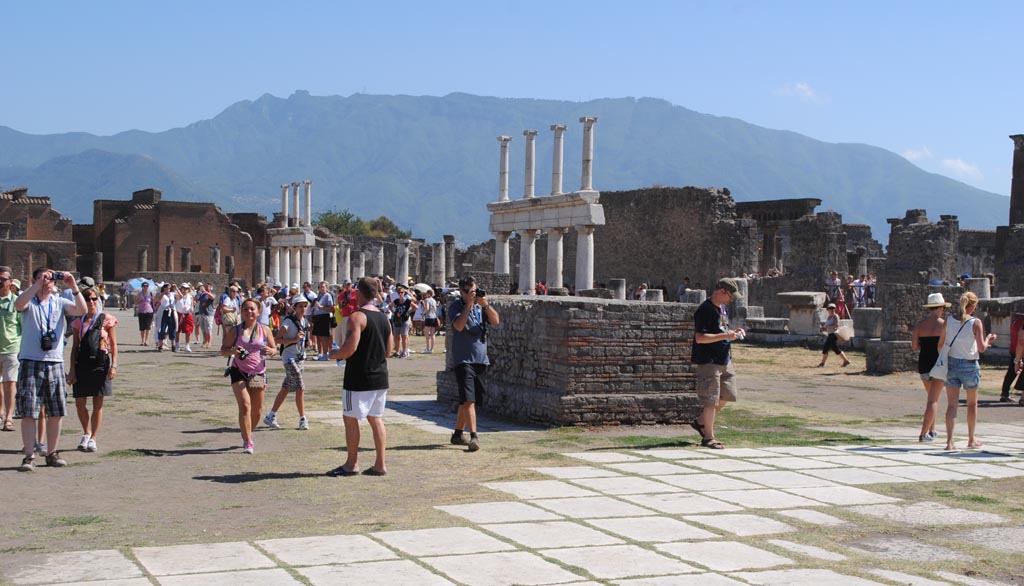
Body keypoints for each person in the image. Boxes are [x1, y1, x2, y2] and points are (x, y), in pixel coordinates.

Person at [14, 269, 87, 471]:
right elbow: (19, 304)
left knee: (56, 410)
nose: (48, 281)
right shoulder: (29, 301)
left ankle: (52, 453)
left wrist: (73, 286)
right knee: (29, 411)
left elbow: (81, 310)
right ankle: (29, 455)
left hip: (54, 361)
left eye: (50, 278)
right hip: (30, 360)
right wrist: (37, 285)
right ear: (33, 279)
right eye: (43, 277)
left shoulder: (60, 302)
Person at [327, 277, 392, 476]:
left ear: (358, 293)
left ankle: (351, 463)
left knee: (350, 418)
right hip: (380, 375)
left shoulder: (357, 317)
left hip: (358, 377)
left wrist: (334, 354)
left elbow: (349, 349)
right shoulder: (383, 317)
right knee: (376, 419)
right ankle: (380, 464)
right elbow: (389, 351)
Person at [689, 278, 745, 450]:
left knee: (728, 394)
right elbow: (700, 338)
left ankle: (700, 422)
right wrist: (726, 336)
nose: (732, 299)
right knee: (711, 400)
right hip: (709, 361)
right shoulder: (705, 310)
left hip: (724, 359)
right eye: (730, 295)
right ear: (721, 292)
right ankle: (708, 437)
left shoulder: (722, 309)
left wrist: (734, 333)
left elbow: (720, 330)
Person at [448, 276, 500, 452]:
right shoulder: (456, 306)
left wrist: (484, 304)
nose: (473, 294)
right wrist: (468, 305)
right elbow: (459, 326)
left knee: (468, 400)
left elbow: (495, 321)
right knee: (469, 400)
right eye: (469, 292)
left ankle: (457, 434)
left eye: (475, 290)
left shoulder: (481, 306)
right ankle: (474, 437)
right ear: (462, 292)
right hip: (463, 359)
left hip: (480, 359)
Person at [220, 298, 277, 454]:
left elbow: (274, 348)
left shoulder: (265, 330)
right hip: (238, 370)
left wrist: (271, 351)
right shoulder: (235, 331)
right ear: (241, 312)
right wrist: (232, 351)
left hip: (257, 372)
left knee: (257, 410)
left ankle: (247, 431)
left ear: (258, 312)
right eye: (245, 309)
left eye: (252, 309)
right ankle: (248, 440)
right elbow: (223, 350)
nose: (249, 312)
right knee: (245, 405)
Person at [942, 291, 997, 451]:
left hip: (952, 362)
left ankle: (949, 441)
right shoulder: (976, 322)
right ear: (973, 306)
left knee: (952, 405)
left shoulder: (949, 320)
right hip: (969, 364)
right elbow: (981, 348)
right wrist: (988, 340)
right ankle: (971, 438)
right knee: (972, 404)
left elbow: (942, 342)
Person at [68, 288, 118, 453]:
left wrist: (114, 366)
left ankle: (94, 437)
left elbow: (113, 344)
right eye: (87, 299)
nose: (91, 302)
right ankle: (86, 432)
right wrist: (72, 370)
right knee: (79, 402)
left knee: (98, 403)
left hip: (100, 363)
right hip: (82, 364)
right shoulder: (78, 322)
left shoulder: (106, 319)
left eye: (94, 299)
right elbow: (75, 348)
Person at [265, 295, 311, 431]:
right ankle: (303, 419)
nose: (303, 309)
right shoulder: (288, 322)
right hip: (289, 358)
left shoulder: (306, 322)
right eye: (300, 306)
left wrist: (308, 342)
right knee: (300, 387)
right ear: (294, 307)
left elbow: (306, 337)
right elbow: (276, 339)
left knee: (286, 388)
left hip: (300, 358)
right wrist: (293, 340)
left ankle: (271, 415)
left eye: (305, 306)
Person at [912, 293, 949, 442]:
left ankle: (932, 430)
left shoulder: (920, 325)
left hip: (924, 364)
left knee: (931, 398)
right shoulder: (944, 325)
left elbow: (914, 347)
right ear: (941, 307)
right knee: (933, 400)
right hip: (938, 364)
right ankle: (924, 433)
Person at [0, 266, 21, 433]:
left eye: (3, 279)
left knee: (10, 383)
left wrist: (21, 347)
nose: (0, 282)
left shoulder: (17, 302)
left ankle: (8, 418)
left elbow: (22, 326)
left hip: (11, 348)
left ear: (10, 282)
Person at [999, 312, 1024, 403]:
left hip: (1014, 349)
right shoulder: (1020, 322)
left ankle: (1005, 393)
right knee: (1015, 372)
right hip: (1019, 350)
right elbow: (1021, 340)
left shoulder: (1015, 321)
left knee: (1011, 372)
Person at [817, 303, 851, 368]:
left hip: (834, 334)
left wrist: (827, 327)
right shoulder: (829, 317)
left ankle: (823, 363)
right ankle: (846, 361)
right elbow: (826, 326)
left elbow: (836, 325)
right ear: (828, 310)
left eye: (833, 308)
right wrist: (823, 327)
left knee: (826, 348)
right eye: (830, 308)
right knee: (835, 348)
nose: (832, 310)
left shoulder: (835, 316)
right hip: (830, 334)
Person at [390, 284, 417, 359]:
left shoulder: (407, 301)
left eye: (401, 292)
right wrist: (393, 312)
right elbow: (390, 306)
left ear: (404, 293)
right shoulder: (396, 301)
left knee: (404, 336)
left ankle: (405, 352)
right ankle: (397, 351)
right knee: (396, 336)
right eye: (398, 293)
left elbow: (415, 307)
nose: (400, 294)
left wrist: (408, 312)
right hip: (397, 319)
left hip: (404, 320)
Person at [311, 281, 335, 360]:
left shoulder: (327, 295)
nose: (321, 288)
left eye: (323, 287)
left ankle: (325, 353)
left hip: (324, 316)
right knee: (318, 336)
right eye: (320, 287)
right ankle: (320, 353)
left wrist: (322, 307)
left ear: (326, 288)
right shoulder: (318, 296)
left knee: (324, 336)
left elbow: (331, 308)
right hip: (317, 317)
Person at [154, 283, 177, 352]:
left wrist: (177, 289)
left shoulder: (172, 294)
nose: (168, 289)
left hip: (171, 311)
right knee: (162, 329)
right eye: (167, 288)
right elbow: (158, 299)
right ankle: (160, 345)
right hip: (164, 312)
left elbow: (181, 297)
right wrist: (164, 292)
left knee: (172, 328)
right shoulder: (162, 294)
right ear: (164, 288)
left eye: (169, 288)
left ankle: (173, 346)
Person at [175, 283, 195, 352]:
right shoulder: (178, 295)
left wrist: (191, 309)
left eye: (187, 288)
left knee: (188, 330)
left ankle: (187, 345)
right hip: (179, 313)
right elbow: (180, 297)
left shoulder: (190, 296)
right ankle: (177, 344)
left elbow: (192, 305)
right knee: (177, 330)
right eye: (184, 288)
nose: (185, 290)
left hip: (187, 314)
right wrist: (177, 289)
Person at [195, 283, 216, 348]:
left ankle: (209, 342)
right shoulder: (202, 294)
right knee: (203, 329)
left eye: (208, 287)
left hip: (209, 314)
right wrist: (198, 293)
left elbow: (212, 297)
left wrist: (205, 291)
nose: (206, 288)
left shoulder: (212, 294)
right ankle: (205, 341)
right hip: (201, 313)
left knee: (208, 329)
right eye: (205, 286)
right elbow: (196, 298)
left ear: (210, 288)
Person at [136, 282, 154, 347]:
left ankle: (146, 340)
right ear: (142, 287)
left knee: (148, 327)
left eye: (146, 286)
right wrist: (140, 300)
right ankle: (142, 340)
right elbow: (136, 302)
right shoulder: (139, 294)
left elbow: (153, 303)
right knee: (142, 327)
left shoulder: (151, 294)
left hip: (149, 311)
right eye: (144, 286)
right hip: (141, 311)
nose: (145, 287)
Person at [421, 288, 439, 354]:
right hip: (434, 317)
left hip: (428, 317)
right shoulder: (434, 300)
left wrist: (423, 313)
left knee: (426, 333)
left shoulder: (426, 300)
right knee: (432, 334)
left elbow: (427, 308)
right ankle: (431, 349)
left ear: (428, 294)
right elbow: (435, 309)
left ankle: (427, 348)